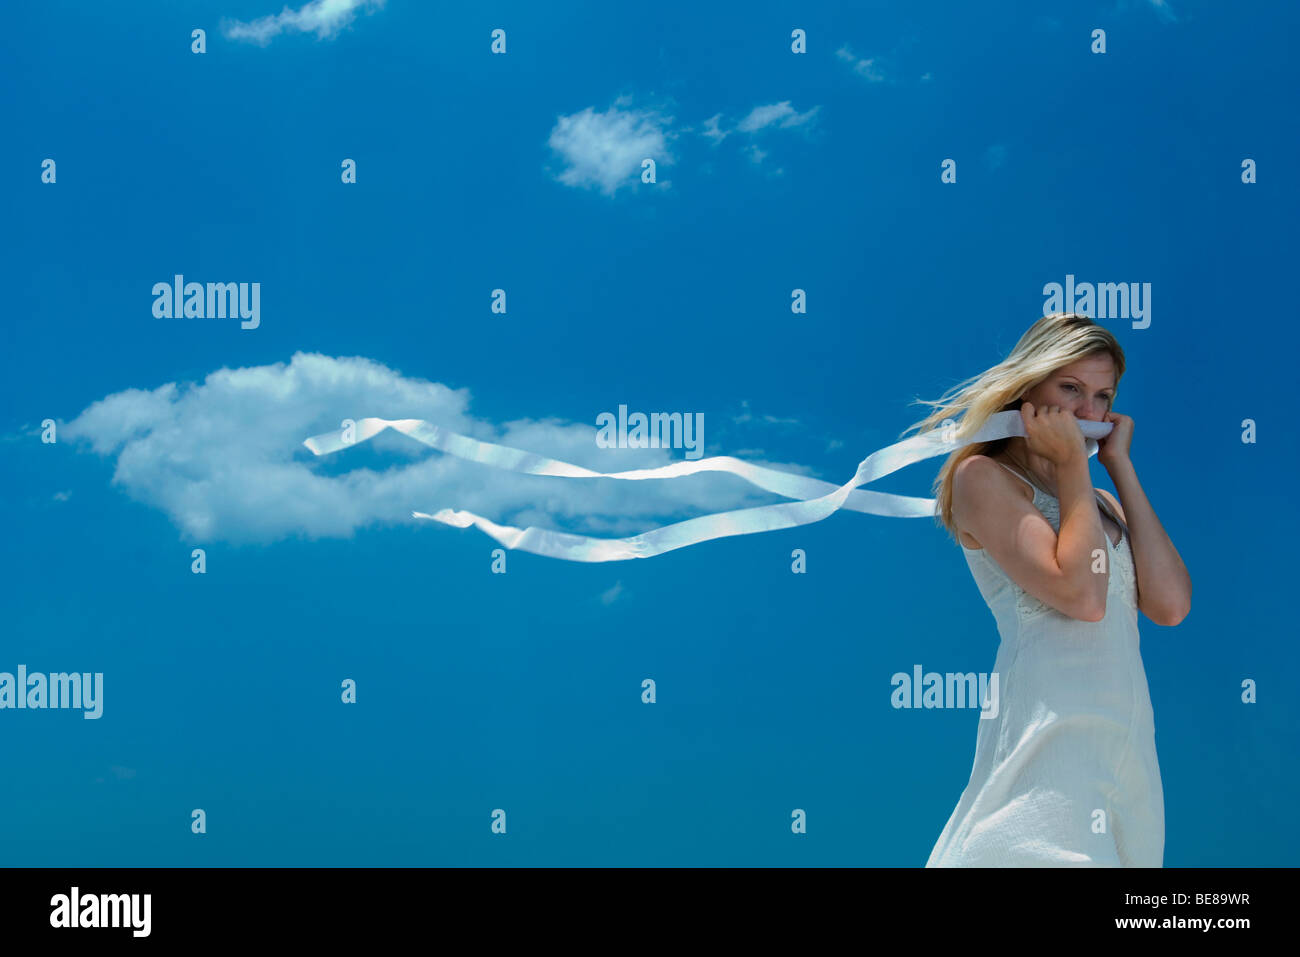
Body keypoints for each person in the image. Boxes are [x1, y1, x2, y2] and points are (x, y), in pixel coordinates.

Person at [905, 313, 1192, 866]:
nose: (1088, 412)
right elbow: (1082, 596)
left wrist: (1120, 468)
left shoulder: (1100, 502)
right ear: (1028, 390)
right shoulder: (982, 479)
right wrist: (1069, 466)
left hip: (1124, 753)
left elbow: (1171, 605)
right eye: (1070, 389)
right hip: (1048, 741)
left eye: (1103, 396)